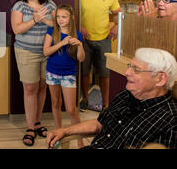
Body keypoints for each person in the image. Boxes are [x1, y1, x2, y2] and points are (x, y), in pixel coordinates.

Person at [46, 48, 177, 149]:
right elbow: (99, 124)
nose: (127, 73)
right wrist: (65, 131)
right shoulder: (126, 94)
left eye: (136, 69)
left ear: (160, 79)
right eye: (129, 66)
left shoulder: (170, 122)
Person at [11, 0, 56, 146]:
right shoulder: (19, 6)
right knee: (30, 88)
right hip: (26, 52)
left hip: (47, 52)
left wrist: (45, 20)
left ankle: (37, 122)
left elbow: (58, 25)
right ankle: (30, 128)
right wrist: (35, 20)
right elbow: (17, 29)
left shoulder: (50, 5)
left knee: (43, 86)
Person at [80, 0, 121, 111]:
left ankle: (105, 104)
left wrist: (116, 26)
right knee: (84, 71)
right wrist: (79, 26)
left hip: (104, 39)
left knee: (105, 73)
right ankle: (85, 98)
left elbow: (118, 13)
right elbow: (72, 12)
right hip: (83, 40)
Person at [43, 4, 85, 147]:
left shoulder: (77, 34)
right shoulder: (51, 31)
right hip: (52, 73)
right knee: (55, 103)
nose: (60, 20)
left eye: (64, 17)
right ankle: (58, 135)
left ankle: (80, 141)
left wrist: (79, 45)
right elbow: (46, 52)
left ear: (71, 18)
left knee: (71, 109)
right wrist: (61, 43)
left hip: (68, 74)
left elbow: (81, 59)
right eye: (58, 17)